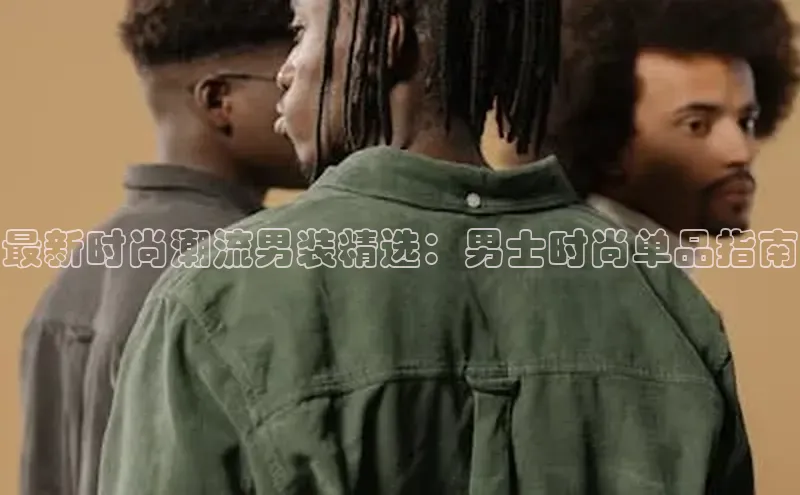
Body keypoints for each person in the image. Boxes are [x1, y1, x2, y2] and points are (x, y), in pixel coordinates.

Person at [100, 0, 752, 494]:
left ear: (387, 42)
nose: (287, 70)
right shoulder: (663, 300)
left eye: (301, 31)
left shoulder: (217, 297)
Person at [18, 2, 306, 495]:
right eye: (291, 80)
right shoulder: (245, 272)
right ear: (219, 100)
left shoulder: (76, 274)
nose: (319, 100)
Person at [548, 0, 799, 271]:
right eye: (697, 125)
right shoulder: (587, 277)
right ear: (607, 144)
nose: (741, 152)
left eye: (745, 122)